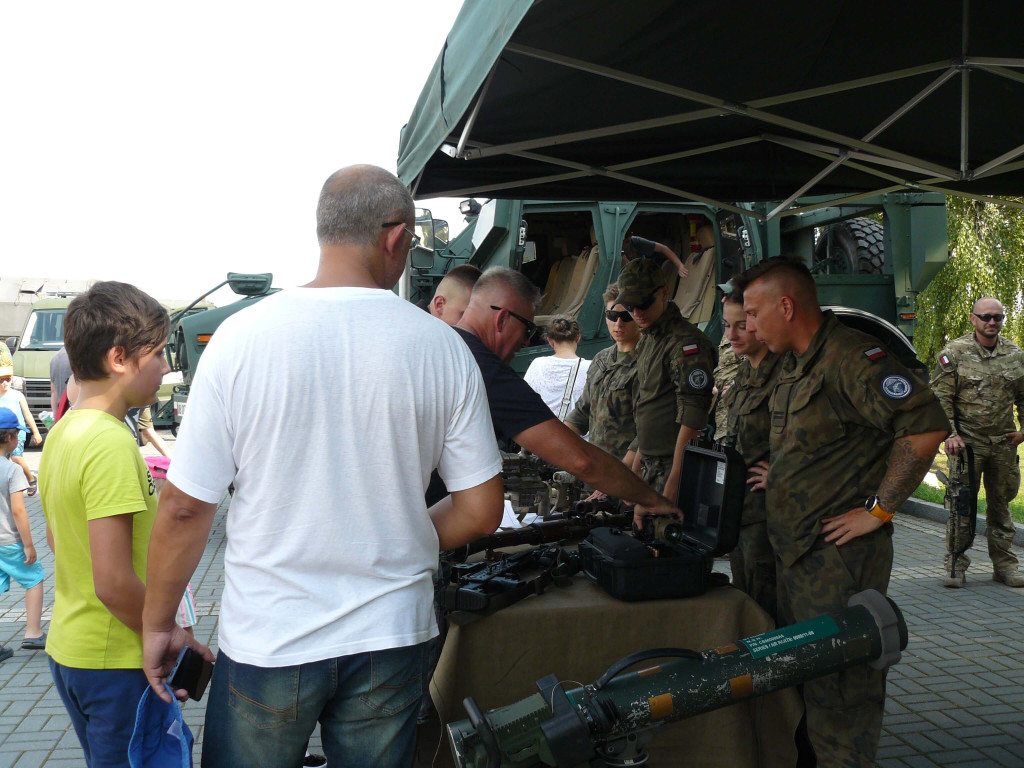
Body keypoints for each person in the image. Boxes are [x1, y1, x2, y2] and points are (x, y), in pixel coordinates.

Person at [141, 165, 504, 768]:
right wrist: (394, 539)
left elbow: (184, 506)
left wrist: (159, 624)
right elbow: (482, 508)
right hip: (392, 633)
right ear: (395, 236)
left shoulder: (241, 338)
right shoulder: (443, 347)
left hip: (269, 636)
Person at [742, 257, 948, 767]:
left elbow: (923, 429)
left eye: (753, 312)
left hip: (838, 563)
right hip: (797, 558)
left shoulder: (852, 359)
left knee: (842, 695)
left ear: (786, 306)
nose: (748, 325)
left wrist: (878, 512)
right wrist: (783, 474)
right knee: (811, 687)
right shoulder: (796, 362)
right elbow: (821, 442)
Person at [37, 281, 172, 767]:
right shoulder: (111, 442)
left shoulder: (63, 431)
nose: (165, 368)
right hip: (117, 658)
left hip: (72, 650)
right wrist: (168, 633)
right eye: (157, 353)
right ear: (119, 357)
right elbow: (114, 582)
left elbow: (58, 539)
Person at [448, 267, 681, 527]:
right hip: (609, 479)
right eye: (527, 330)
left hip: (622, 478)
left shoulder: (446, 347)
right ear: (502, 319)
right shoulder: (484, 370)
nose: (526, 343)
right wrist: (651, 499)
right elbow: (582, 451)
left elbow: (645, 427)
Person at [931, 297, 1024, 588]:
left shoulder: (1014, 354)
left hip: (1003, 444)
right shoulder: (955, 353)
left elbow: (1023, 396)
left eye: (998, 317)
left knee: (1001, 507)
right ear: (973, 319)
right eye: (986, 317)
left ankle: (1005, 566)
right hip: (967, 446)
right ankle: (955, 566)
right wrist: (950, 434)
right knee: (962, 507)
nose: (992, 322)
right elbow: (940, 398)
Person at [618, 258, 717, 501]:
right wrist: (639, 461)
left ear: (664, 293)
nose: (637, 313)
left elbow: (692, 417)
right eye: (630, 306)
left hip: (673, 466)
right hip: (653, 465)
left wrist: (675, 479)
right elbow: (651, 405)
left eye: (643, 304)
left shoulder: (685, 344)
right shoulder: (650, 340)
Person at [717, 281, 782, 621]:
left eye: (742, 324)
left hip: (768, 512)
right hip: (741, 507)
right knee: (745, 593)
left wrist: (782, 471)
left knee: (765, 602)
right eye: (727, 325)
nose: (733, 334)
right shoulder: (744, 370)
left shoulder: (783, 372)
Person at [565, 283, 641, 464]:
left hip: (630, 475)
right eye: (612, 315)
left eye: (626, 316)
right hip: (597, 470)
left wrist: (619, 476)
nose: (618, 323)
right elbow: (581, 414)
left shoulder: (649, 362)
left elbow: (648, 433)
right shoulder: (601, 360)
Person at [0, 407, 47, 664]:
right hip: (9, 541)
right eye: (19, 435)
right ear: (10, 438)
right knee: (34, 578)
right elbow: (18, 510)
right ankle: (33, 632)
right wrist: (29, 545)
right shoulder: (12, 470)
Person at [523, 315, 591, 419]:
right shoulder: (591, 367)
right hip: (578, 434)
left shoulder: (537, 364)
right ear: (578, 338)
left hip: (545, 433)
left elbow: (526, 403)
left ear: (550, 341)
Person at [0, 368, 42, 494]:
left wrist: (36, 432)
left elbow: (27, 414)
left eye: (7, 379)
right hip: (2, 432)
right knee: (3, 461)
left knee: (16, 457)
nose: (4, 383)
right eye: (1, 380)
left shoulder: (17, 395)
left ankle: (31, 479)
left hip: (16, 432)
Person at [50, 345, 72, 414]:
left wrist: (56, 416)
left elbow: (53, 392)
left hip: (61, 411)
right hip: (77, 412)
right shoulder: (81, 356)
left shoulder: (54, 358)